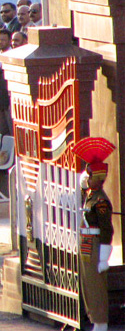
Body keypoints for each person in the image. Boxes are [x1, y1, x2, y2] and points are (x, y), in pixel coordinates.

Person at [74, 137, 115, 331]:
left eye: (89, 175)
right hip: (86, 242)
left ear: (96, 178)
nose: (86, 177)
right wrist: (83, 187)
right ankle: (94, 319)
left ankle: (101, 322)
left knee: (97, 287)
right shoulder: (90, 195)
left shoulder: (101, 201)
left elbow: (107, 229)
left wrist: (104, 258)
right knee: (88, 284)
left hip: (97, 243)